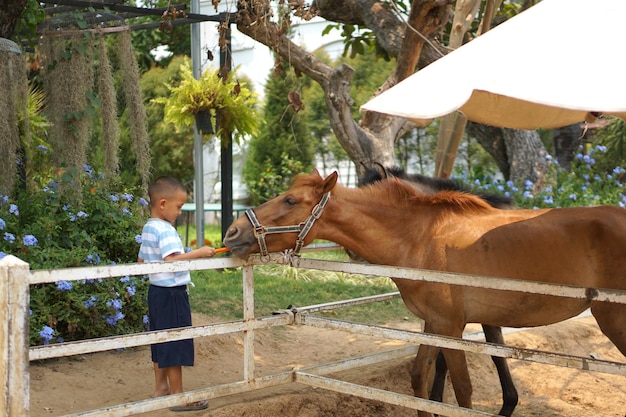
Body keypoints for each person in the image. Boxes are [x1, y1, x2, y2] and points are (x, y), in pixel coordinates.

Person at [138, 176, 216, 412]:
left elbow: (140, 261)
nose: (180, 212)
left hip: (156, 293)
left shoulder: (149, 227)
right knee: (174, 342)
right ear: (163, 204)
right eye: (179, 206)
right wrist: (200, 253)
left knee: (160, 341)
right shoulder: (165, 229)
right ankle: (177, 395)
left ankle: (160, 389)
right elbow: (171, 260)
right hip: (172, 294)